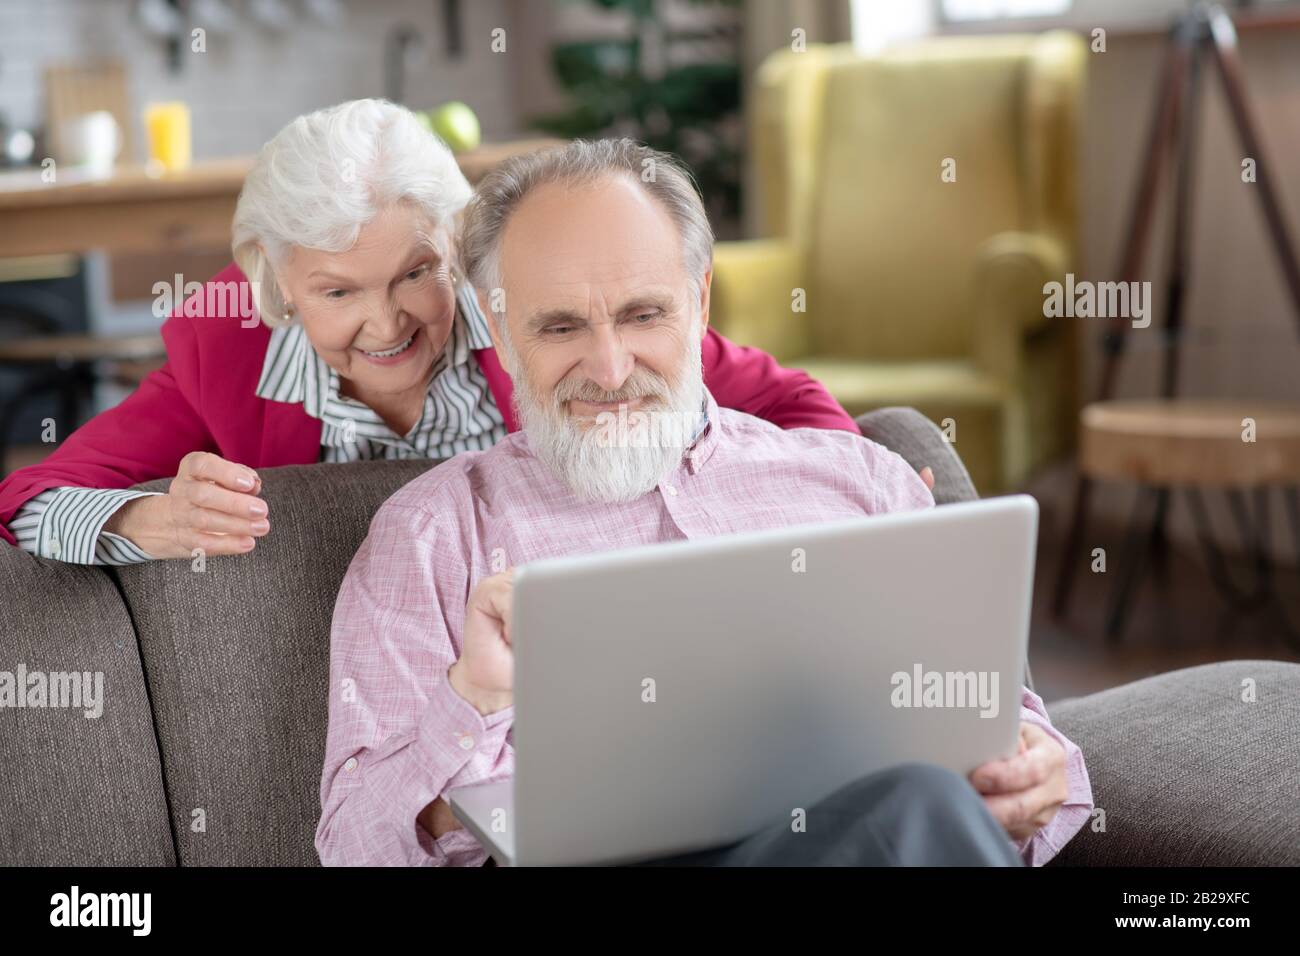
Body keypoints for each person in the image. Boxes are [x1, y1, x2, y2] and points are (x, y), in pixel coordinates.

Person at [316, 139, 1092, 867]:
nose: (611, 369)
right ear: (499, 325)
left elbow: (1018, 745)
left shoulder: (864, 484)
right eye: (560, 327)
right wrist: (473, 701)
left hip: (859, 839)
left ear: (700, 300)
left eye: (643, 314)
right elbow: (351, 844)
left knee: (918, 803)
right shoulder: (432, 532)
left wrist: (1032, 769)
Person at [0, 99, 859, 564]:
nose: (387, 323)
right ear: (280, 289)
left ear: (457, 249)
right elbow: (27, 501)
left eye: (416, 274)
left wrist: (853, 511)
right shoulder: (224, 352)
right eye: (338, 292)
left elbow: (788, 405)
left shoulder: (537, 315)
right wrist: (145, 520)